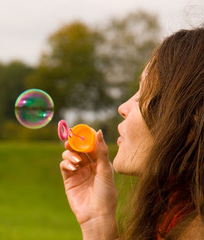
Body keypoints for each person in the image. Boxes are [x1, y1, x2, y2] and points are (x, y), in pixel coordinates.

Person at [60, 26, 204, 239]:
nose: (122, 107)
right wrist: (99, 222)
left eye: (142, 95)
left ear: (191, 126)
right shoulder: (171, 219)